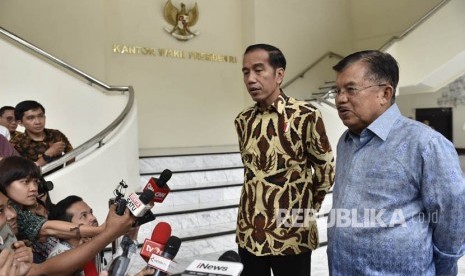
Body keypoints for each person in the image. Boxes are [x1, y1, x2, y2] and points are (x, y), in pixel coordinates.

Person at [326, 50, 465, 275]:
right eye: (337, 91)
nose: (340, 98)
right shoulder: (346, 141)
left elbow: (452, 216)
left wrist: (444, 269)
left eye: (351, 89)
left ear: (385, 93)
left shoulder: (425, 143)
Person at [234, 44, 335, 276]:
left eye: (259, 70)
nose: (250, 79)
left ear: (279, 74)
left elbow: (325, 172)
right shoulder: (242, 120)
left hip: (292, 238)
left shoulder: (306, 115)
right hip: (249, 234)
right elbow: (249, 172)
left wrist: (302, 212)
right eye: (246, 72)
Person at [0, 187, 138, 276]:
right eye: (83, 216)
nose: (12, 215)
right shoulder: (61, 255)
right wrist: (107, 231)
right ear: (64, 226)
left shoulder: (86, 247)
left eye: (10, 207)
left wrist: (131, 234)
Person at [0, 156, 104, 263]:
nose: (34, 188)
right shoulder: (18, 213)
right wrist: (101, 230)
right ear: (5, 182)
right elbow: (49, 228)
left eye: (35, 182)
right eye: (25, 182)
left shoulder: (31, 209)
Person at [9, 100, 73, 167]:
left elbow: (71, 154)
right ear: (20, 123)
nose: (38, 122)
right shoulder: (15, 144)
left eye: (40, 116)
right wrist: (48, 154)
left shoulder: (56, 134)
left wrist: (67, 172)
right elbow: (22, 172)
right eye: (30, 118)